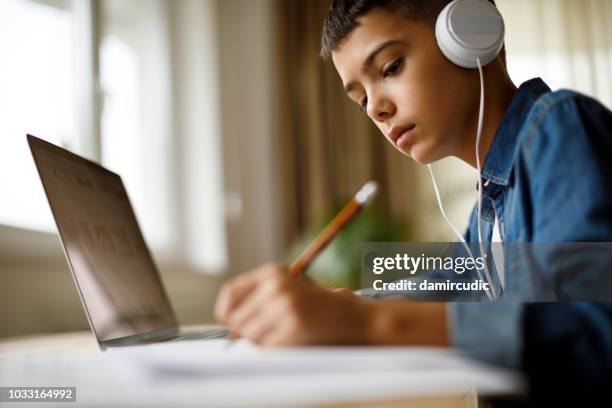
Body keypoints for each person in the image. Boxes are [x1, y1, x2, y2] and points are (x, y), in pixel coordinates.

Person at [214, 0, 612, 376]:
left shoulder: (559, 128)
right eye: (361, 98)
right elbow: (445, 287)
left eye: (390, 67)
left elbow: (594, 327)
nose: (375, 109)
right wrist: (342, 307)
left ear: (471, 35)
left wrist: (363, 322)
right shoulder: (492, 204)